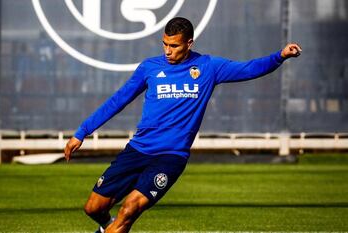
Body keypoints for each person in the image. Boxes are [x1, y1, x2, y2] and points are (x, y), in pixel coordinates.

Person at [64, 17, 302, 233]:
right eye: (165, 44)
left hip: (170, 157)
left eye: (174, 45)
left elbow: (248, 68)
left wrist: (279, 56)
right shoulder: (150, 67)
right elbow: (118, 100)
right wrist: (82, 132)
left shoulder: (209, 67)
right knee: (93, 208)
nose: (168, 51)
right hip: (137, 150)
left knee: (128, 211)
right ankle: (106, 228)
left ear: (189, 43)